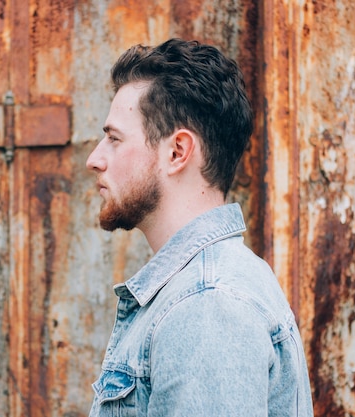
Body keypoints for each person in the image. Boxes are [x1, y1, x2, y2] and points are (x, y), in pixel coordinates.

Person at [85, 38, 313, 417]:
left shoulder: (207, 305)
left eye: (113, 139)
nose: (95, 159)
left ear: (177, 152)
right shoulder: (205, 288)